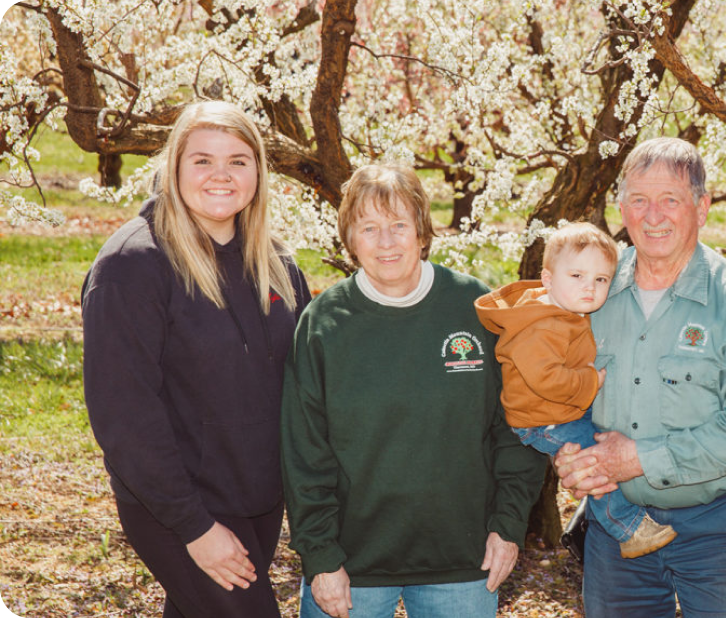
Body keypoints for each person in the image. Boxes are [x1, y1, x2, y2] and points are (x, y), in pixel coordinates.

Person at [280, 164, 547, 618]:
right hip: (351, 567)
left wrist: (508, 525)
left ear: (422, 232)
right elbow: (303, 453)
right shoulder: (323, 324)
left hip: (463, 563)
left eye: (399, 225)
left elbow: (517, 424)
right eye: (369, 228)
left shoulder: (473, 308)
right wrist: (320, 555)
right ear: (350, 239)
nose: (386, 241)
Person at [81, 100, 311, 618]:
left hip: (259, 497)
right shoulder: (132, 266)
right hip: (179, 505)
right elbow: (123, 414)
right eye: (202, 160)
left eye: (238, 160)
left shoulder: (276, 262)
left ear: (258, 171)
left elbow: (305, 380)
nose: (221, 175)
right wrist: (194, 527)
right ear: (175, 167)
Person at [554, 137, 726, 617]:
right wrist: (570, 455)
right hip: (616, 528)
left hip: (718, 530)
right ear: (621, 208)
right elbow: (557, 388)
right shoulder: (590, 291)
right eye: (639, 200)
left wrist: (637, 458)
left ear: (702, 208)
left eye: (670, 200)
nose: (652, 216)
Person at [475, 222, 677, 559]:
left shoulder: (564, 311)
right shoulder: (540, 325)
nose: (589, 287)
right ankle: (627, 528)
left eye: (601, 280)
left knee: (611, 439)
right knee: (594, 459)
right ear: (548, 279)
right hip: (542, 418)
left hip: (560, 408)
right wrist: (590, 381)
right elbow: (545, 379)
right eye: (577, 276)